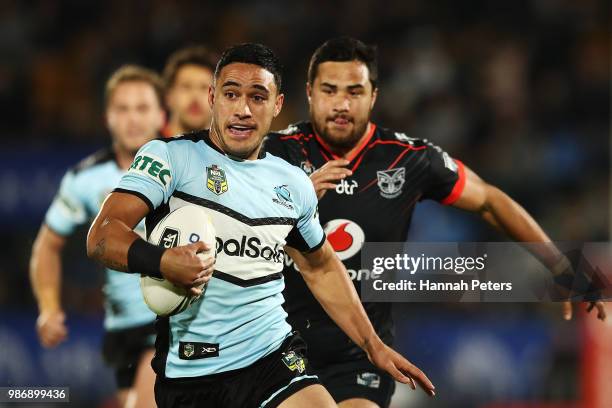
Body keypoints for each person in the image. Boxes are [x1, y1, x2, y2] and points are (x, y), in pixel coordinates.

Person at [263, 37, 607, 408]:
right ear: (310, 93)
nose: (342, 104)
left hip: (362, 354)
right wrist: (290, 202)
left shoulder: (409, 158)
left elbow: (490, 201)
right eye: (329, 90)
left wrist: (558, 264)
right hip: (281, 346)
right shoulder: (273, 154)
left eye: (355, 91)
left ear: (374, 95)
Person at [86, 43, 435, 408]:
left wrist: (372, 345)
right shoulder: (171, 158)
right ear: (213, 97)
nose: (243, 109)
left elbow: (320, 265)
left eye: (258, 96)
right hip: (191, 370)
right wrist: (161, 261)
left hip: (271, 357)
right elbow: (102, 235)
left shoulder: (293, 183)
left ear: (278, 105)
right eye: (231, 94)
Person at [30, 65, 166, 408]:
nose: (132, 118)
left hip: (174, 320)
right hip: (123, 330)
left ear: (161, 114)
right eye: (122, 109)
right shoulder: (85, 179)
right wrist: (49, 308)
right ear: (108, 117)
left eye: (142, 108)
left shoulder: (187, 167)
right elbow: (48, 244)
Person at [162, 45, 218, 137]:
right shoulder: (147, 148)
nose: (195, 96)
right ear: (168, 96)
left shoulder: (232, 149)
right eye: (186, 86)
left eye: (204, 87)